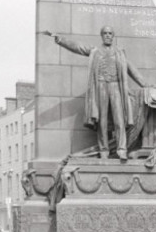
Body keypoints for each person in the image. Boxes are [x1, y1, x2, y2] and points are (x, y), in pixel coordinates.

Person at [49, 26, 149, 161]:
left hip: (115, 87)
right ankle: (104, 150)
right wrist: (60, 40)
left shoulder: (119, 52)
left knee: (119, 120)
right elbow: (78, 47)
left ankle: (121, 149)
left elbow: (131, 69)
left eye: (110, 33)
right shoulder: (95, 51)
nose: (108, 35)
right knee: (102, 121)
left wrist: (145, 84)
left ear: (113, 36)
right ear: (101, 36)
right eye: (105, 33)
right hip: (101, 86)